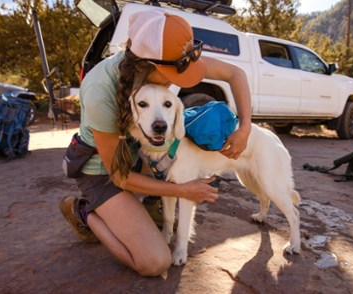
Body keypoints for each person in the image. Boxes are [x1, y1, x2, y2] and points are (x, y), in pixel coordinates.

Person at [59, 9, 252, 277]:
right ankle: (84, 211)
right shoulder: (100, 90)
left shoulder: (170, 59)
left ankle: (150, 201)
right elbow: (119, 176)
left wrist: (244, 128)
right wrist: (182, 190)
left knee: (174, 165)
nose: (179, 81)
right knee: (155, 262)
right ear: (146, 65)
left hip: (140, 158)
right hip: (104, 173)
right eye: (175, 74)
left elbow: (236, 74)